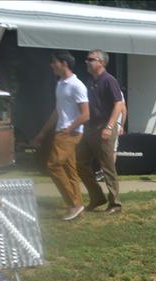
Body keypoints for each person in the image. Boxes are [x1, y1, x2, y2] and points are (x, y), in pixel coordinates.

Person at [31, 51, 88, 221]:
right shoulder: (60, 84)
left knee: (53, 166)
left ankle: (74, 204)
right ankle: (77, 206)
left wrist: (69, 129)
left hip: (69, 133)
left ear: (64, 64)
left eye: (54, 62)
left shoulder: (77, 85)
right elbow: (57, 112)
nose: (51, 65)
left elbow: (86, 114)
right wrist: (42, 134)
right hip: (61, 131)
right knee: (70, 171)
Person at [77, 49, 124, 214]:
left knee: (107, 166)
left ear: (101, 62)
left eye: (91, 59)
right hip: (90, 126)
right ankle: (97, 197)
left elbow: (119, 104)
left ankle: (115, 204)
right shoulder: (91, 80)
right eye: (87, 59)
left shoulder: (109, 80)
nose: (87, 62)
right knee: (80, 162)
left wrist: (109, 127)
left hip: (104, 126)